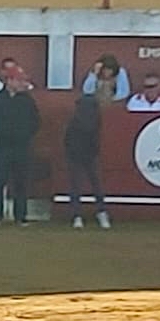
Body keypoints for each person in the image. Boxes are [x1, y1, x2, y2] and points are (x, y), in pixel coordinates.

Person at [0, 67, 40, 226]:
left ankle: (20, 216)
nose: (22, 84)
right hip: (2, 147)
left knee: (21, 183)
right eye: (19, 80)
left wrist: (25, 134)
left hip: (21, 147)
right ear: (9, 81)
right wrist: (1, 131)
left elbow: (36, 122)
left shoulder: (27, 101)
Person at [64, 94, 111, 230]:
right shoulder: (96, 120)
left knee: (77, 186)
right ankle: (100, 213)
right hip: (88, 156)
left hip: (79, 156)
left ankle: (77, 216)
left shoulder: (74, 120)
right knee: (95, 185)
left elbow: (67, 139)